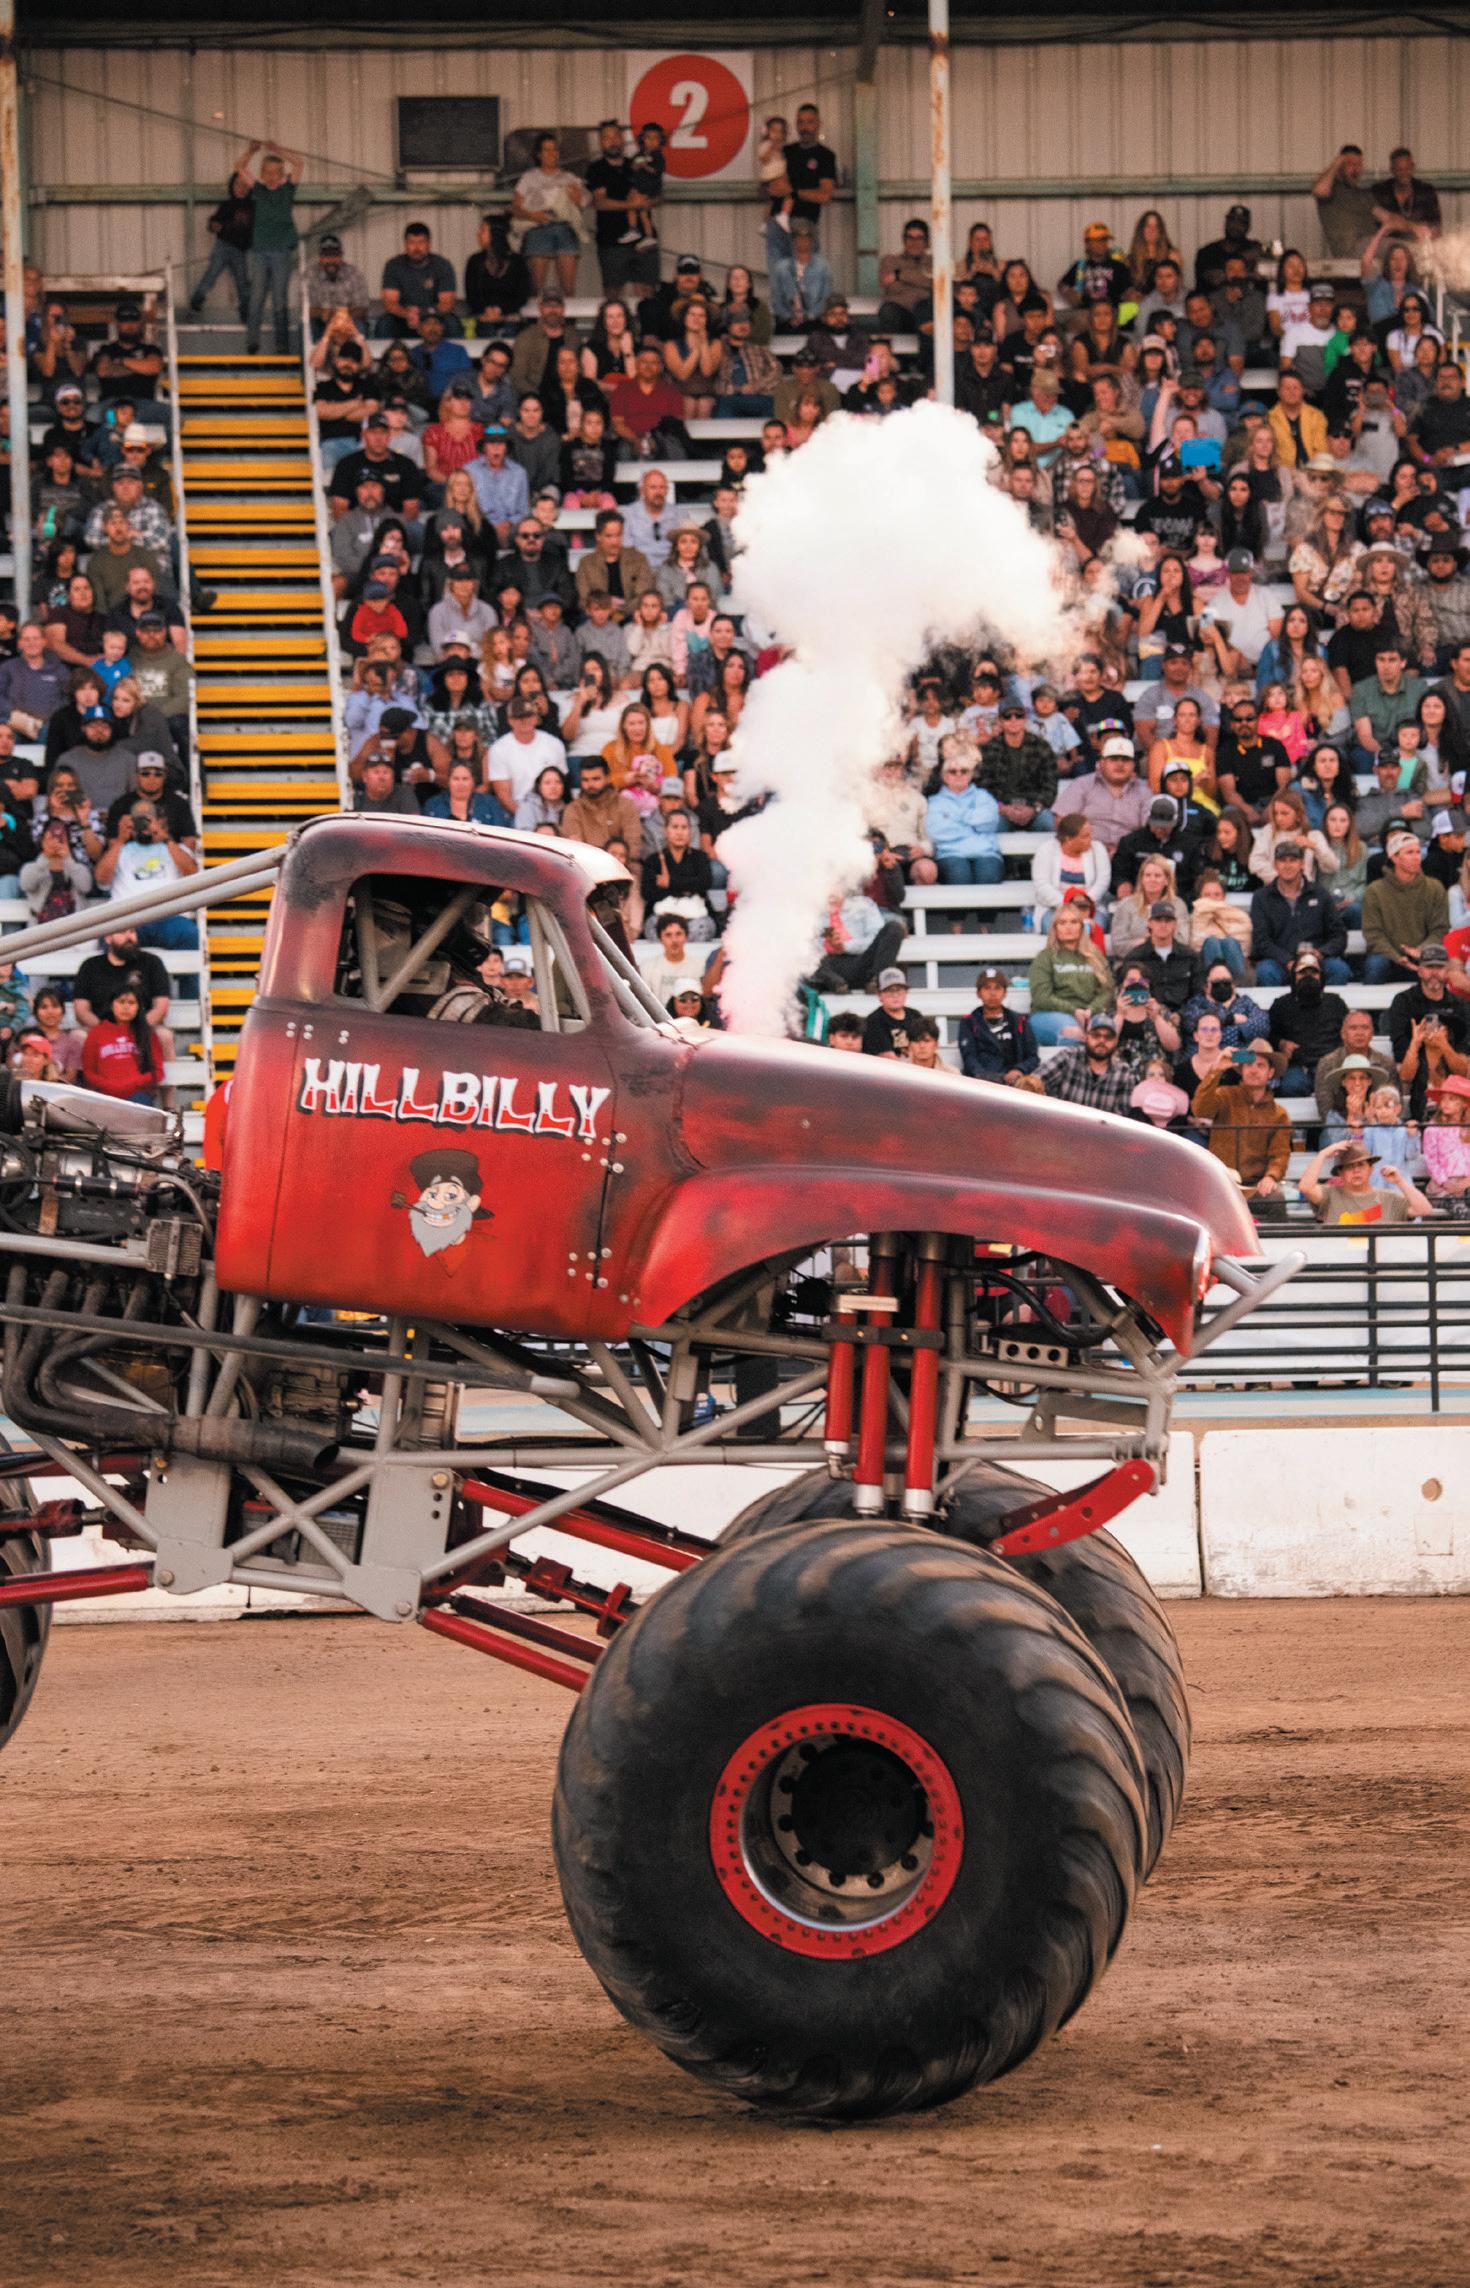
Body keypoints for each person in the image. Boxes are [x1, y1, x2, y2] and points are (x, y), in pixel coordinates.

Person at [1191, 1041, 1292, 1212]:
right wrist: (1216, 1070)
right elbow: (1200, 1109)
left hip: (1255, 1186)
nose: (1253, 1070)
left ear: (1270, 1072)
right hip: (1223, 1181)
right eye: (1249, 1065)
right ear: (1242, 1070)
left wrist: (1271, 1176)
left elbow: (1280, 1154)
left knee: (1276, 1199)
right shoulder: (1225, 1096)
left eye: (1260, 1065)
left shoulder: (1279, 1114)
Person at [228, 140, 301, 357]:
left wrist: (280, 151)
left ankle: (282, 345)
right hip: (260, 252)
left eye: (276, 173)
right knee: (256, 297)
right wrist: (251, 151)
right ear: (262, 173)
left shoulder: (288, 190)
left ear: (282, 174)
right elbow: (239, 168)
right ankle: (252, 342)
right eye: (267, 173)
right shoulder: (258, 190)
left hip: (281, 252)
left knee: (279, 299)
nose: (271, 177)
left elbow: (299, 164)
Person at [1388, 941, 1469, 1118]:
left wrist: (1444, 1045)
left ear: (1447, 970)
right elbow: (1404, 1074)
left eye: (1439, 967)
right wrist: (1416, 1043)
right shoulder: (1404, 1002)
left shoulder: (1461, 1006)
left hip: (1455, 1088)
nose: (1434, 972)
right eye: (1429, 967)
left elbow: (1463, 1070)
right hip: (1418, 1087)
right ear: (1419, 970)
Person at [1362, 829, 1449, 984]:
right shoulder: (1375, 891)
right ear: (1394, 857)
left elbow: (1440, 929)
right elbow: (1373, 934)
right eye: (1409, 852)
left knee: (1439, 963)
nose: (1416, 857)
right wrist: (1397, 957)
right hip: (1387, 956)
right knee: (1375, 965)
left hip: (1424, 954)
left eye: (1418, 852)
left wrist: (1420, 951)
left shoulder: (1434, 888)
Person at [1027, 903, 1115, 1047]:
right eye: (1062, 923)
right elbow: (1041, 996)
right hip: (1049, 1015)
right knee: (1074, 1034)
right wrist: (1074, 1011)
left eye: (1074, 922)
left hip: (1090, 1014)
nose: (1069, 927)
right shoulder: (1045, 957)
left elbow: (1107, 990)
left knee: (1104, 1034)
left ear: (1081, 926)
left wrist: (1091, 1011)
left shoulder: (1095, 956)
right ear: (1055, 928)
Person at [924, 738, 1002, 885]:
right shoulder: (935, 802)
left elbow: (990, 823)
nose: (958, 775)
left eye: (964, 771)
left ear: (971, 774)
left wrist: (955, 819)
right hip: (950, 853)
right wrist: (972, 825)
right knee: (959, 877)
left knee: (988, 878)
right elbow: (936, 832)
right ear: (945, 776)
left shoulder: (983, 796)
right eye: (953, 771)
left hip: (985, 852)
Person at [1300, 1137, 1431, 1224]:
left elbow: (1424, 1210)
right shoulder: (1330, 1195)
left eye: (1361, 1165)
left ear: (1371, 1169)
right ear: (1340, 1173)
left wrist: (1400, 1181)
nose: (1356, 1170)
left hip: (1379, 1257)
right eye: (1350, 1167)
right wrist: (1323, 1154)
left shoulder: (1390, 1198)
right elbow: (1305, 1187)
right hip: (1341, 1256)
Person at [956, 965, 1042, 1088]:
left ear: (1005, 992)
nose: (992, 993)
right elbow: (969, 1059)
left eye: (997, 988)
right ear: (978, 993)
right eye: (987, 988)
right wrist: (985, 1077)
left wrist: (1019, 1070)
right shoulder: (969, 1022)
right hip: (981, 1085)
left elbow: (1033, 1057)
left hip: (1015, 1085)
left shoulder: (1019, 1021)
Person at [82, 983, 165, 1105]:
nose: (126, 1007)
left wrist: (135, 1083)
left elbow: (158, 1072)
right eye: (121, 1002)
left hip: (138, 1094)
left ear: (138, 1007)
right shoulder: (96, 1033)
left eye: (131, 1003)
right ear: (112, 1005)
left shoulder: (147, 1034)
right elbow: (89, 1072)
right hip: (105, 1095)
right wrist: (109, 1085)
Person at [189, 172, 254, 322]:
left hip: (240, 250)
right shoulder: (227, 205)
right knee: (212, 273)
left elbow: (255, 230)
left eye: (245, 185)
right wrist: (214, 226)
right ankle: (197, 300)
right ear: (232, 186)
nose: (241, 188)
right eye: (238, 184)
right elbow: (214, 221)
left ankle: (246, 309)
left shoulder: (253, 207)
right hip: (223, 246)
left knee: (242, 280)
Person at [1041, 1008, 1134, 1113]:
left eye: (1108, 1037)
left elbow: (1121, 1116)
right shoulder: (1068, 1057)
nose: (1102, 1040)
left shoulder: (1124, 1074)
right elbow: (1035, 1081)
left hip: (1101, 1124)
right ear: (1086, 1037)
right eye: (1096, 1035)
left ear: (1116, 1041)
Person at [1312, 145, 1379, 258]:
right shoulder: (1332, 189)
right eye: (1352, 164)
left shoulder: (1362, 194)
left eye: (1359, 165)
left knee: (1399, 247)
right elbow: (1319, 190)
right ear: (1340, 165)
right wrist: (1337, 163)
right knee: (1398, 247)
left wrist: (1410, 227)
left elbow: (1385, 216)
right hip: (1352, 249)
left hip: (1373, 246)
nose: (1356, 170)